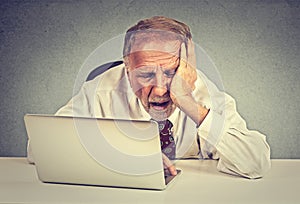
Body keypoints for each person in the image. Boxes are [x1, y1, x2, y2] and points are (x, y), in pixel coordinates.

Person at [28, 16, 271, 179]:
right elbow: (40, 148)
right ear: (127, 67)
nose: (160, 90)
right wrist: (129, 153)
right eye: (145, 74)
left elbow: (255, 162)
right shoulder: (101, 90)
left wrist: (188, 102)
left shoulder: (202, 93)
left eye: (171, 73)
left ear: (188, 67)